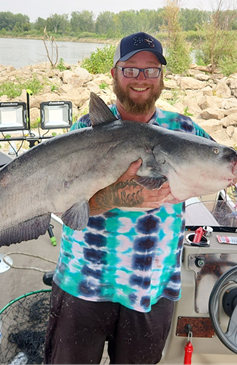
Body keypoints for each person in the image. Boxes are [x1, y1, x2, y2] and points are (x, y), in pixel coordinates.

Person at [44, 32, 213, 365]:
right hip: (84, 282)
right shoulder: (84, 129)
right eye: (130, 69)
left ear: (162, 77)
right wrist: (117, 196)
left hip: (150, 288)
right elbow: (62, 205)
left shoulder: (186, 131)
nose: (140, 78)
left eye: (151, 70)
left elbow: (218, 167)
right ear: (114, 74)